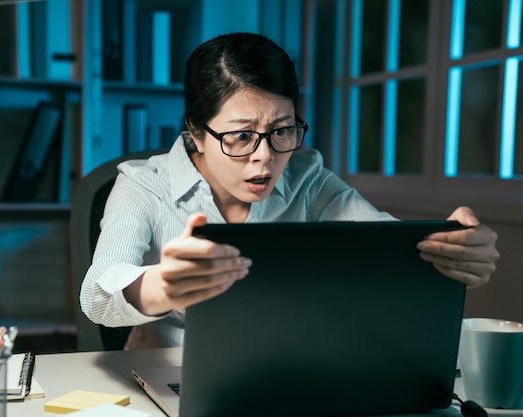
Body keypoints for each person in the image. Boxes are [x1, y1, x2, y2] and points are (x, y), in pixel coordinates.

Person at [80, 32, 500, 350]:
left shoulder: (306, 176)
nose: (265, 158)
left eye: (282, 130)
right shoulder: (141, 185)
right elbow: (98, 292)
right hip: (175, 374)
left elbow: (384, 244)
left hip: (293, 368)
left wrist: (451, 252)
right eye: (241, 136)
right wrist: (159, 288)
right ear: (196, 133)